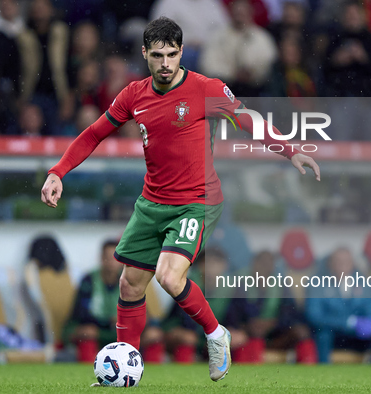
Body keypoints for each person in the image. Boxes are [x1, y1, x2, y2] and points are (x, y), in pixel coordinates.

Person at [41, 17, 320, 382]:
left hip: (197, 201)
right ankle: (127, 372)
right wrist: (57, 171)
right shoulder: (133, 95)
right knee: (129, 284)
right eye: (158, 55)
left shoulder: (206, 89)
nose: (166, 63)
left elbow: (247, 118)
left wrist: (289, 149)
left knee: (169, 276)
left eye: (172, 54)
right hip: (152, 202)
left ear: (182, 52)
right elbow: (94, 134)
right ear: (145, 54)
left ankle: (216, 334)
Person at [63, 240, 164, 363]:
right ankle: (89, 372)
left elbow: (142, 311)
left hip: (124, 330)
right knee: (87, 333)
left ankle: (147, 373)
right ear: (101, 258)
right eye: (107, 257)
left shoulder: (131, 279)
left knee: (153, 335)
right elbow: (82, 314)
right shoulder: (89, 280)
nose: (111, 262)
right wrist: (109, 321)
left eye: (115, 257)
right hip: (98, 329)